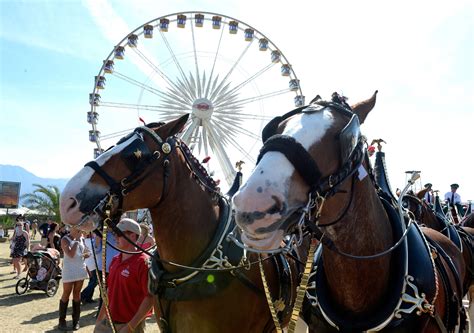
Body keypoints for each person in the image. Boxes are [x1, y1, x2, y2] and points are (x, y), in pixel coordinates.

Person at [94, 218, 153, 333]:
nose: (115, 237)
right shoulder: (115, 260)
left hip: (130, 326)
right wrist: (99, 320)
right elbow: (109, 291)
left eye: (119, 234)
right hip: (107, 323)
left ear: (132, 236)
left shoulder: (143, 263)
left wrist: (130, 327)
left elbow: (150, 298)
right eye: (115, 233)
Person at [58, 226, 90, 331]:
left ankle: (76, 321)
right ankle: (62, 321)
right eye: (76, 229)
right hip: (69, 270)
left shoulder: (81, 238)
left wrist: (87, 253)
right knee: (66, 293)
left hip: (80, 269)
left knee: (77, 294)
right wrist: (76, 240)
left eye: (79, 229)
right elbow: (71, 254)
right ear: (71, 228)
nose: (79, 230)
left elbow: (85, 252)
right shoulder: (65, 239)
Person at [81, 233, 101, 304]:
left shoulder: (85, 240)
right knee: (94, 281)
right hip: (93, 263)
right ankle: (83, 295)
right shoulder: (91, 240)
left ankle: (88, 298)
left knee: (92, 280)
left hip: (89, 263)